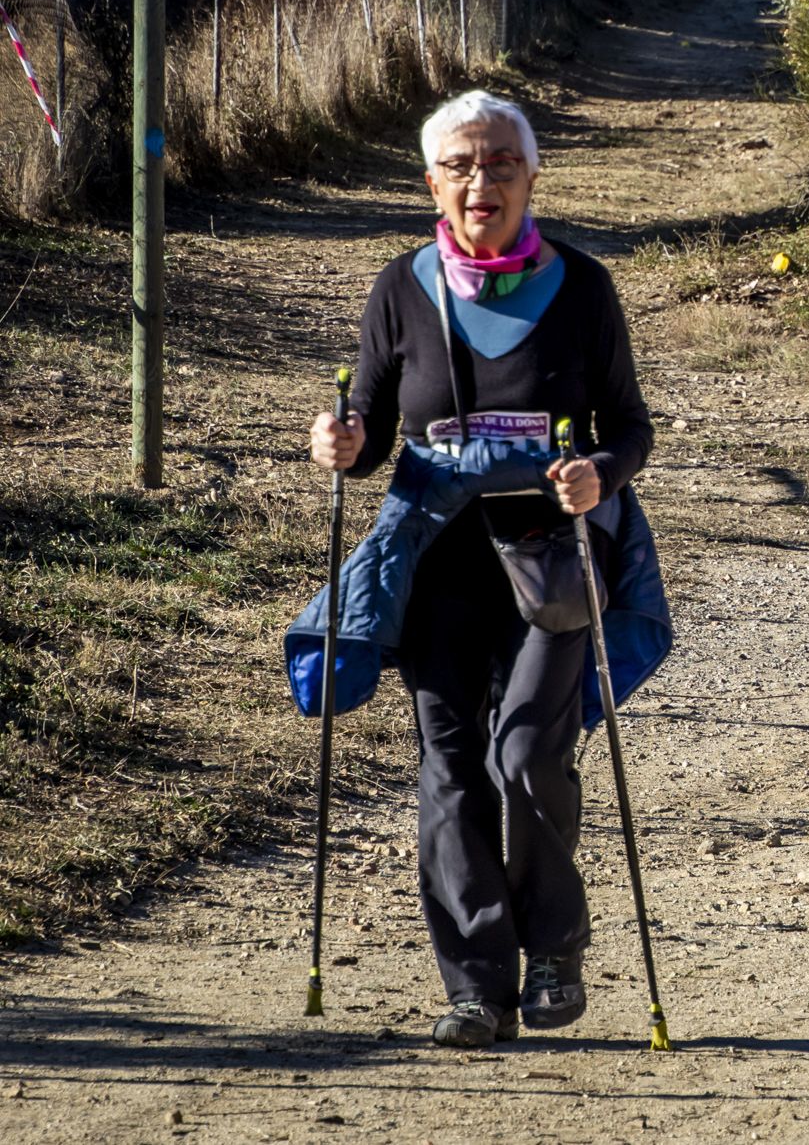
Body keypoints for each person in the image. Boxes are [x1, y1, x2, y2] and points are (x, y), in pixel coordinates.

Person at [302, 90, 660, 1047]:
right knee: (452, 769)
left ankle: (553, 948)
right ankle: (475, 985)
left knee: (530, 753)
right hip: (440, 564)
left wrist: (601, 474)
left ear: (531, 175)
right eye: (460, 165)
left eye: (501, 162)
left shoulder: (582, 286)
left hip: (555, 560)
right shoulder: (402, 287)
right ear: (431, 182)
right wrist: (344, 441)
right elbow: (374, 424)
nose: (481, 181)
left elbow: (631, 426)